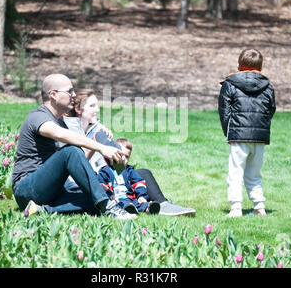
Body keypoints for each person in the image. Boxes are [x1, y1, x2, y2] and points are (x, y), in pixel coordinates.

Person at [11, 73, 137, 220]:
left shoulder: (60, 122)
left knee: (94, 198)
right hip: (27, 189)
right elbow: (61, 137)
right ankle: (108, 208)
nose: (74, 94)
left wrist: (96, 136)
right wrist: (101, 148)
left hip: (52, 191)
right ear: (53, 95)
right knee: (71, 150)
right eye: (69, 91)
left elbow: (77, 158)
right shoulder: (38, 117)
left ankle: (43, 210)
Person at [64, 89, 196, 217]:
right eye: (92, 106)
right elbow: (75, 166)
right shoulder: (69, 131)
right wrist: (95, 146)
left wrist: (113, 149)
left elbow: (115, 164)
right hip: (83, 183)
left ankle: (162, 204)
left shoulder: (95, 128)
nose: (97, 110)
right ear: (78, 109)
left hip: (106, 175)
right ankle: (128, 204)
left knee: (143, 173)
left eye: (97, 105)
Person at [218, 48, 276, 218]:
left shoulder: (230, 83)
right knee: (254, 173)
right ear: (261, 66)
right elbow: (271, 109)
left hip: (238, 136)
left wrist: (228, 131)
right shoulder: (268, 85)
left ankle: (236, 208)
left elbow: (224, 110)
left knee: (235, 172)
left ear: (239, 65)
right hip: (260, 137)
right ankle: (259, 206)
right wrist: (262, 127)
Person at [97, 138, 161, 215]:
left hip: (131, 198)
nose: (123, 159)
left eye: (127, 157)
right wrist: (110, 196)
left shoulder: (129, 170)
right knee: (121, 205)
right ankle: (128, 210)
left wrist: (141, 196)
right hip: (116, 200)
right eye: (120, 155)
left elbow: (139, 183)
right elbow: (102, 186)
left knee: (140, 203)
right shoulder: (105, 171)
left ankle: (149, 208)